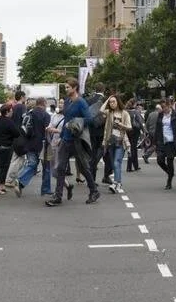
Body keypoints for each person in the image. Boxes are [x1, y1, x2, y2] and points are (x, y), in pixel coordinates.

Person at [47, 78, 100, 206]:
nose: (66, 89)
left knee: (83, 168)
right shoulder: (67, 101)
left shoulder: (81, 102)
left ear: (75, 88)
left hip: (76, 139)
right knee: (60, 168)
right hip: (66, 139)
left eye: (68, 87)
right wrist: (61, 135)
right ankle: (58, 196)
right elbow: (66, 119)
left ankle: (94, 191)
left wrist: (73, 123)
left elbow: (89, 119)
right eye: (65, 87)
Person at [12, 98, 50, 196]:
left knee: (32, 164)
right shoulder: (45, 115)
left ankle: (20, 182)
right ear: (44, 104)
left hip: (29, 142)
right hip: (42, 143)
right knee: (46, 167)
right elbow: (47, 130)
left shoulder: (29, 113)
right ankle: (46, 189)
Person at [100, 95, 132, 194]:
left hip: (120, 141)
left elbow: (130, 127)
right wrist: (108, 98)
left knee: (116, 162)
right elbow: (101, 110)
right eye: (110, 102)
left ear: (118, 102)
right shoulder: (109, 113)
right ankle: (118, 182)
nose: (112, 104)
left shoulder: (125, 113)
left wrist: (121, 125)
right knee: (114, 164)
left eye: (113, 101)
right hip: (110, 142)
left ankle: (115, 183)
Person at [0, 104, 18, 195]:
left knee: (2, 166)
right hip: (5, 147)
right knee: (1, 167)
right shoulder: (9, 122)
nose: (12, 112)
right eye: (11, 110)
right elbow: (16, 133)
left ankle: (2, 186)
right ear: (7, 112)